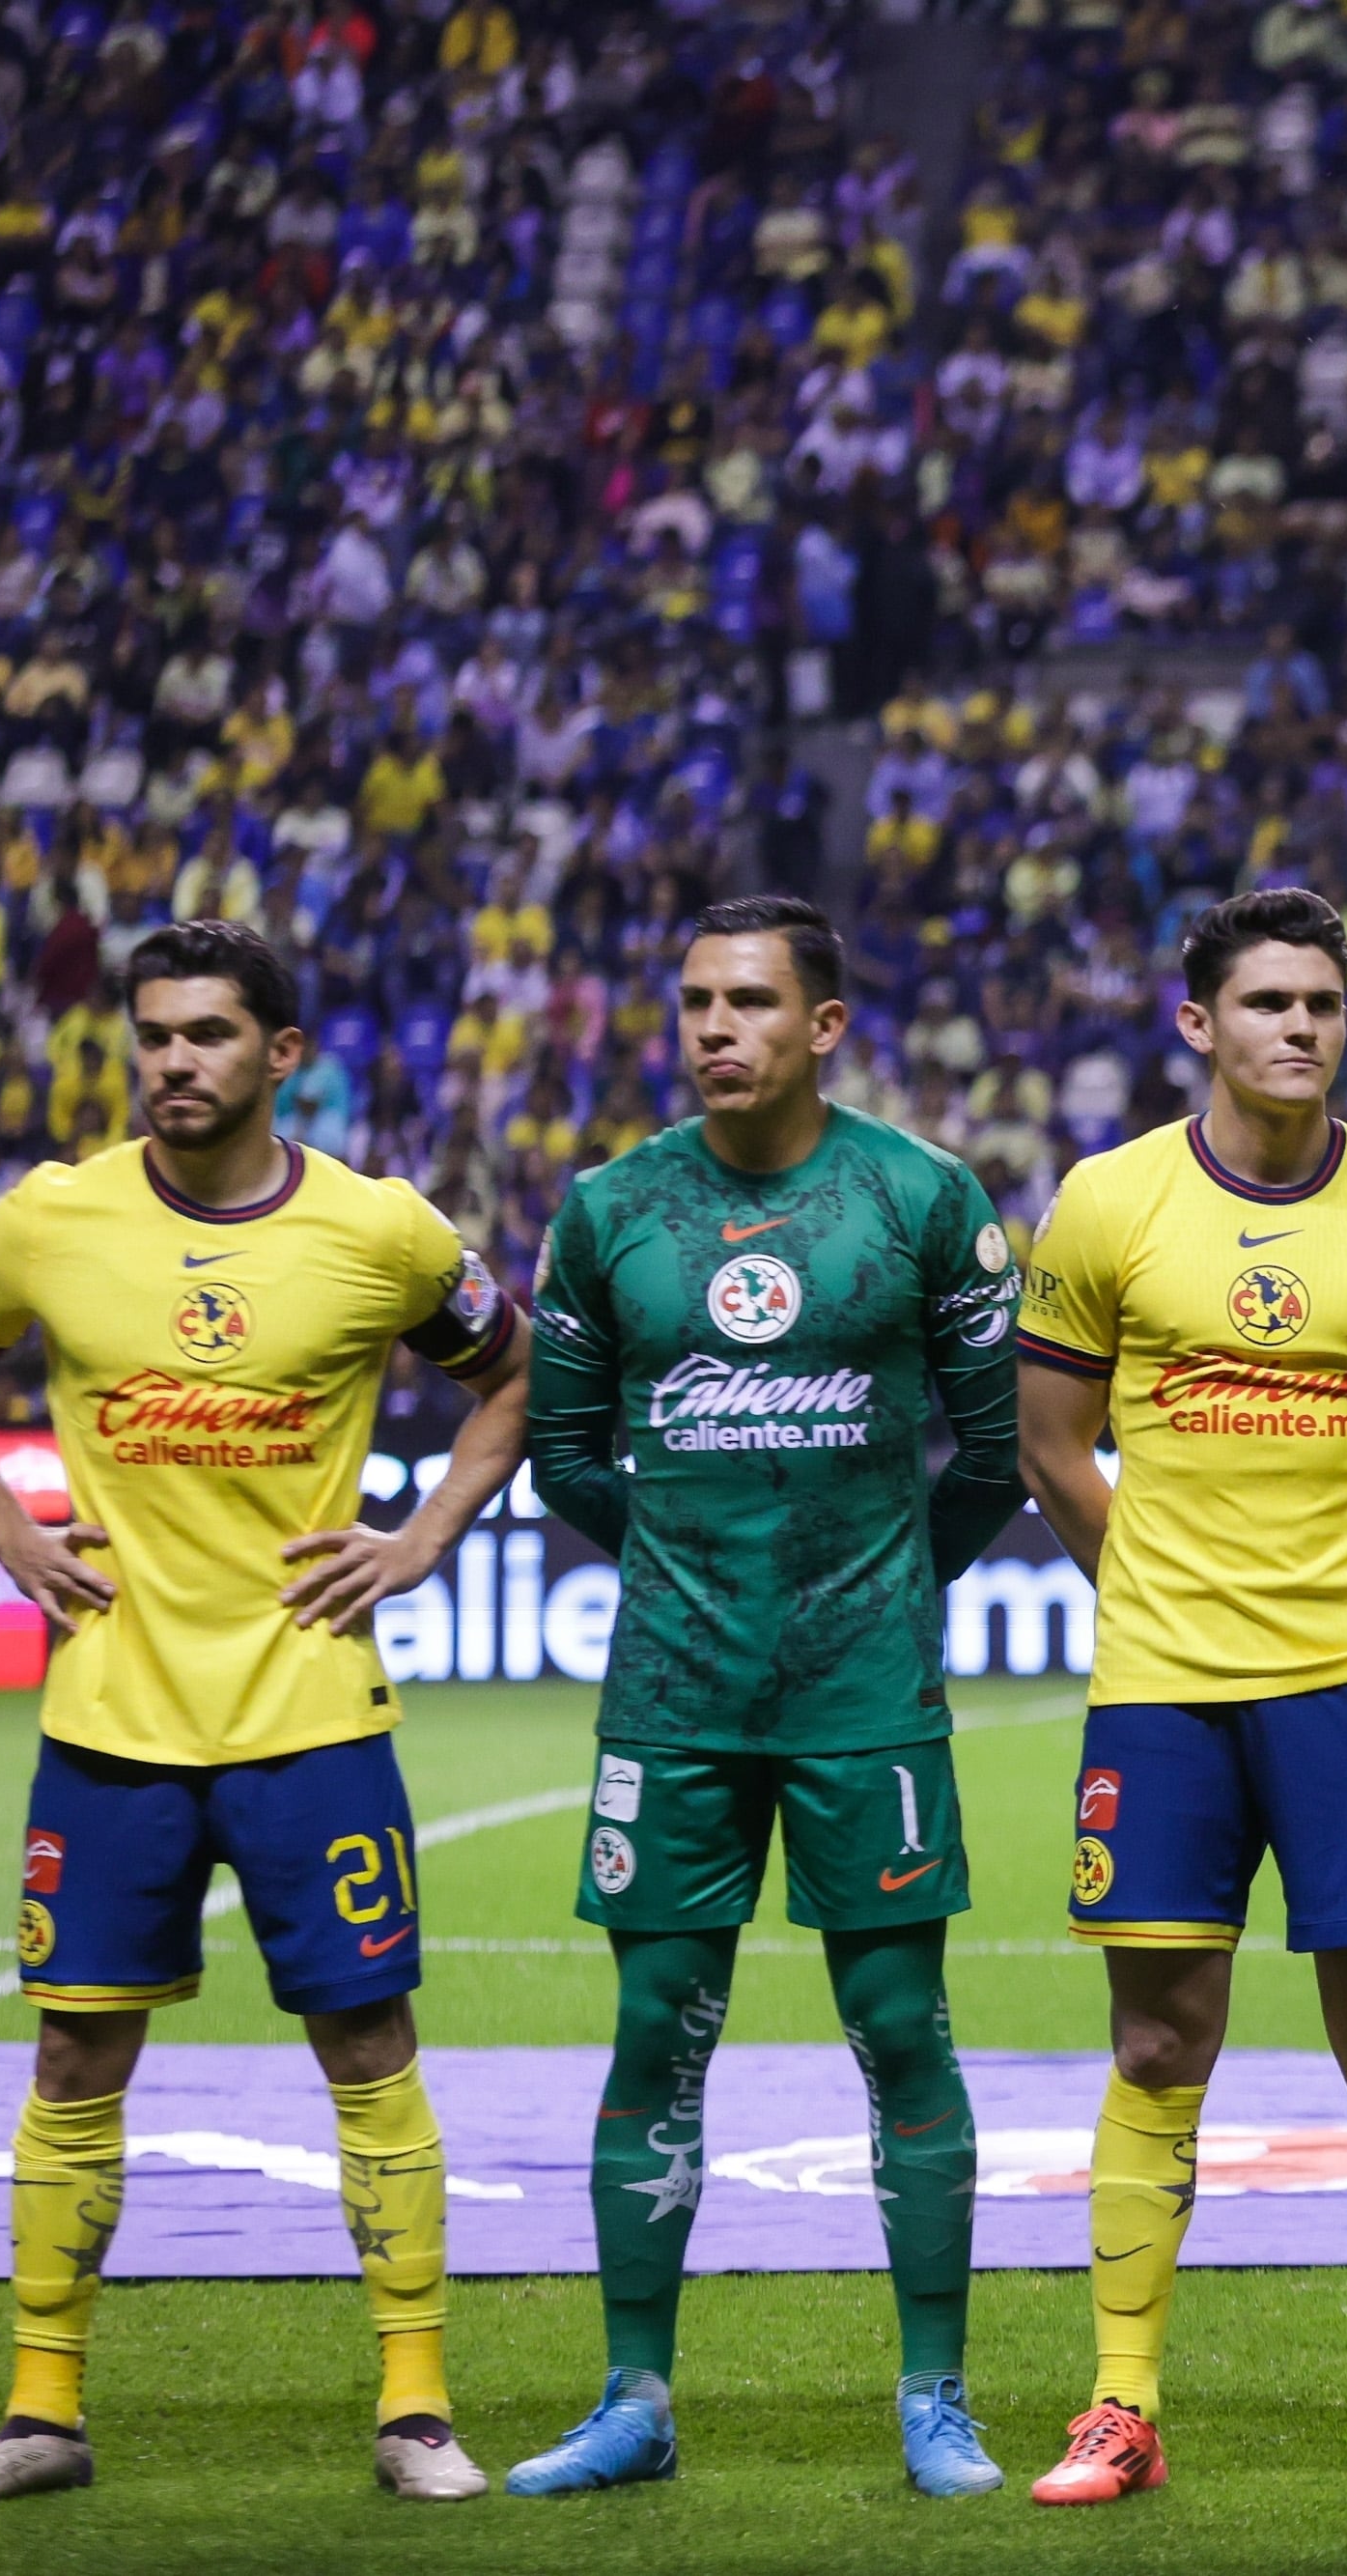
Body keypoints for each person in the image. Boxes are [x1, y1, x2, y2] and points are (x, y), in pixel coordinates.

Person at [0, 920, 529, 2505]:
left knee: (368, 2044)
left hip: (312, 1711)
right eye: (155, 1034)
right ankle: (41, 2411)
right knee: (73, 2055)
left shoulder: (380, 1230)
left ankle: (417, 2410)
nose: (176, 1060)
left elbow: (515, 1377)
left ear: (280, 1055)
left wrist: (421, 1534)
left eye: (210, 1035)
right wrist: (11, 1531)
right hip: (112, 1718)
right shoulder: (50, 1218)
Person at [505, 895, 1024, 2501]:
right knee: (655, 2033)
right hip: (672, 1696)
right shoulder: (611, 1208)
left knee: (899, 2033)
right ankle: (635, 2396)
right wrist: (691, 1567)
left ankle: (935, 2395)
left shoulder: (922, 1198)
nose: (714, 1028)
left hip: (866, 1698)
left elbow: (993, 1461)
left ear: (826, 1024)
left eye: (747, 1002)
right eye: (693, 1002)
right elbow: (565, 1449)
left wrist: (866, 1585)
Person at [1013, 886, 1347, 2507]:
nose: (1300, 1027)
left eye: (1323, 1001)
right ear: (1198, 1023)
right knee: (1160, 2033)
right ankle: (1119, 2404)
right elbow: (1049, 1441)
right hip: (1162, 1687)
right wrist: (1158, 1581)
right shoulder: (1106, 1201)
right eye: (1267, 1002)